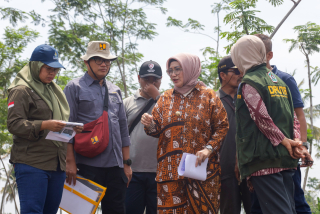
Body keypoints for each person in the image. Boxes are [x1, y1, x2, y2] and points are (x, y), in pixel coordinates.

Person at [141, 53, 229, 214]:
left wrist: (209, 148)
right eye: (170, 71)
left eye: (177, 69)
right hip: (169, 175)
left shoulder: (209, 96)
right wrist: (150, 124)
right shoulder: (165, 98)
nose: (173, 74)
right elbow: (156, 130)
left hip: (203, 173)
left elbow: (222, 126)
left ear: (190, 69)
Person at [231, 35, 303, 214]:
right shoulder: (278, 80)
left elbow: (261, 118)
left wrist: (284, 141)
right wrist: (295, 142)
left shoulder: (250, 82)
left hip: (264, 160)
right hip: (285, 158)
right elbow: (293, 116)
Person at [7, 44, 82, 214]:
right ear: (35, 66)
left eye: (55, 70)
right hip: (32, 162)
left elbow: (58, 124)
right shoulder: (21, 90)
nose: (52, 73)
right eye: (48, 68)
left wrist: (71, 129)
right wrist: (43, 125)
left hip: (56, 164)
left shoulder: (54, 91)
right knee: (32, 211)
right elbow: (13, 124)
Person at [64, 41, 131, 214]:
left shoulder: (115, 90)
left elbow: (123, 128)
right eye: (98, 60)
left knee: (116, 209)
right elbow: (67, 127)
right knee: (81, 211)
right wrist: (70, 162)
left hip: (115, 165)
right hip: (87, 163)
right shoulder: (74, 87)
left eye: (107, 61)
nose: (104, 64)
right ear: (87, 62)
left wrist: (126, 163)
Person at [250, 34, 314, 214]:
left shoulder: (284, 79)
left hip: (287, 153)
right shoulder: (249, 81)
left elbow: (299, 115)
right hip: (262, 157)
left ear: (269, 55)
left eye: (258, 52)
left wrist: (301, 147)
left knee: (295, 202)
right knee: (259, 205)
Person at [124, 60, 162, 214]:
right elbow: (120, 136)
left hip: (159, 172)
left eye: (155, 80)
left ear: (161, 80)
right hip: (133, 172)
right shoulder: (126, 103)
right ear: (139, 78)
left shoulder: (167, 103)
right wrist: (125, 165)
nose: (150, 84)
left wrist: (158, 97)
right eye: (147, 80)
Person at [216, 55, 251, 214]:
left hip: (250, 167)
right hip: (224, 170)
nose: (240, 74)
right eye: (235, 71)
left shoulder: (249, 97)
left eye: (241, 70)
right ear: (222, 75)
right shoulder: (212, 100)